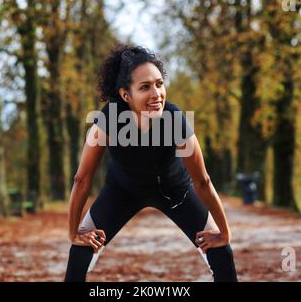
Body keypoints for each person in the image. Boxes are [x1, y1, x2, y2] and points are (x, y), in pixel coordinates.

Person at [64, 45, 238, 282]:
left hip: (176, 192)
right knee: (79, 255)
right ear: (126, 95)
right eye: (145, 87)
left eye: (159, 84)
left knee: (221, 254)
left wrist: (225, 233)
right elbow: (81, 179)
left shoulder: (175, 120)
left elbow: (202, 181)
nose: (156, 94)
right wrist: (74, 233)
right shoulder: (109, 118)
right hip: (121, 192)